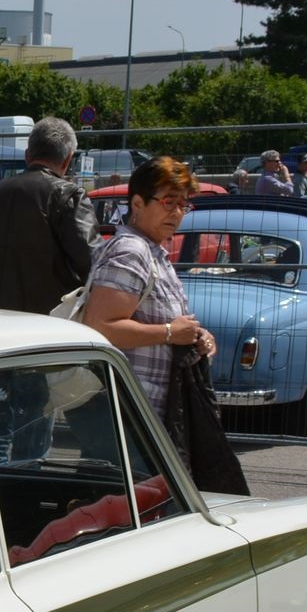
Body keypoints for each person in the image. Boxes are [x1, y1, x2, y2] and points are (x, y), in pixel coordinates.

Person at [81, 157, 212, 424]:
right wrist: (169, 333)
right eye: (168, 201)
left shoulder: (153, 252)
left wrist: (197, 337)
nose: (176, 212)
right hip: (126, 413)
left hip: (143, 411)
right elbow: (101, 327)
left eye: (183, 204)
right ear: (138, 203)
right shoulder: (130, 251)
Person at [0, 116, 96, 315]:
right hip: (46, 325)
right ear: (68, 159)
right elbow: (94, 264)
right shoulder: (67, 195)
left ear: (27, 155)